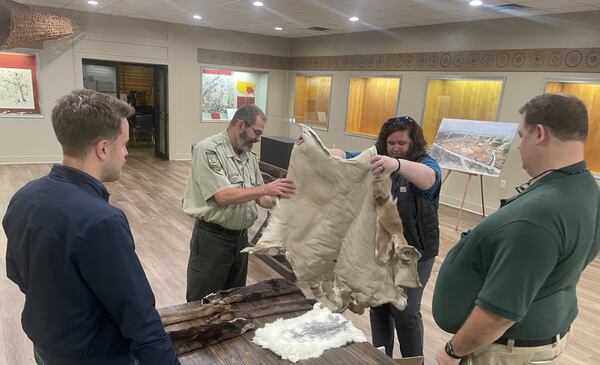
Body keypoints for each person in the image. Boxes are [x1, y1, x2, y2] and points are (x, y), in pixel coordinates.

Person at [3, 89, 180, 365]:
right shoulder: (102, 221)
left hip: (46, 347)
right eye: (123, 144)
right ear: (103, 148)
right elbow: (138, 317)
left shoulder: (24, 196)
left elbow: (16, 272)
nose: (126, 153)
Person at [432, 93, 600, 365]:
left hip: (506, 350)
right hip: (541, 335)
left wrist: (452, 351)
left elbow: (499, 314)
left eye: (522, 136)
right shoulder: (586, 189)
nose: (519, 146)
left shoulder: (540, 216)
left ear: (540, 134)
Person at [330, 116, 442, 358]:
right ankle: (381, 357)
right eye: (391, 143)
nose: (395, 148)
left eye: (401, 143)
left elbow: (428, 179)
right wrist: (325, 151)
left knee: (406, 311)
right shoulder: (379, 159)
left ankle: (414, 361)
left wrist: (397, 164)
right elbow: (347, 156)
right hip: (381, 250)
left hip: (414, 254)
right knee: (379, 305)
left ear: (414, 142)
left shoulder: (425, 163)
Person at [183, 104, 295, 302]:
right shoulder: (208, 150)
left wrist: (283, 200)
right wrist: (266, 188)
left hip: (240, 241)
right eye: (257, 132)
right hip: (213, 240)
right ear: (241, 125)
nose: (258, 139)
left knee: (234, 300)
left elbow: (262, 198)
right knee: (203, 301)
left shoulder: (249, 157)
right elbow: (223, 196)